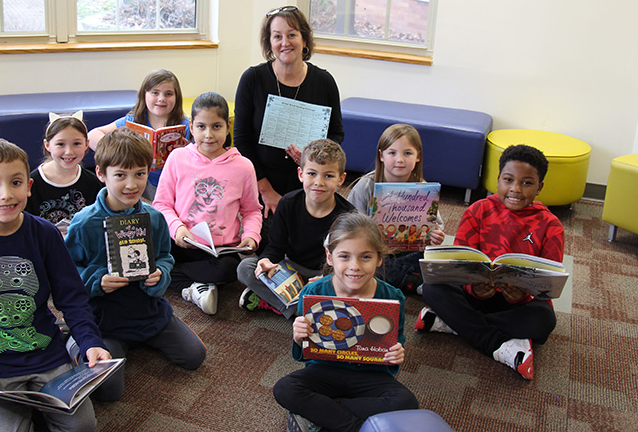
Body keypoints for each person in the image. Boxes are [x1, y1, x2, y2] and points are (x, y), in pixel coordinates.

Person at [0, 139, 110, 432]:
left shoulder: (46, 235)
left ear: (29, 186)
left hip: (46, 354)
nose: (6, 194)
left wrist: (90, 341)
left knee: (83, 427)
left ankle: (70, 345)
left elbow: (72, 298)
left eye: (15, 182)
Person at [64, 127, 206, 401]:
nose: (131, 185)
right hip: (105, 321)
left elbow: (166, 257)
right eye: (120, 175)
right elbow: (67, 276)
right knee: (107, 393)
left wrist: (160, 274)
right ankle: (74, 341)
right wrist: (96, 280)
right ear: (101, 174)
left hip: (148, 313)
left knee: (194, 356)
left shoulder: (153, 218)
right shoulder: (84, 223)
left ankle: (139, 340)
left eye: (140, 174)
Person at [416, 144, 565, 380]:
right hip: (473, 296)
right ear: (497, 180)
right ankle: (496, 344)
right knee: (433, 287)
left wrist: (522, 296)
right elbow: (459, 262)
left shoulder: (551, 225)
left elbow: (547, 283)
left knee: (543, 321)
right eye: (508, 179)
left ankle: (452, 323)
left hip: (517, 304)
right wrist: (472, 287)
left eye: (527, 183)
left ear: (540, 188)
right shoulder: (478, 210)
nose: (515, 189)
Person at [273, 213, 418, 432]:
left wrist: (396, 353)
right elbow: (305, 353)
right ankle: (355, 427)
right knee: (285, 389)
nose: (355, 266)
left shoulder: (392, 296)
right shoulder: (313, 292)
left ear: (379, 259)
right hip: (324, 371)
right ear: (330, 257)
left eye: (365, 257)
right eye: (344, 256)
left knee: (406, 402)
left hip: (369, 375)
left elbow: (395, 343)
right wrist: (298, 336)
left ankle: (321, 415)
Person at [154, 92, 263, 315]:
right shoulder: (177, 158)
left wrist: (251, 235)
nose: (208, 135)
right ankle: (193, 287)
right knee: (149, 254)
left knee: (230, 271)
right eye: (201, 126)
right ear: (191, 127)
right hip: (181, 242)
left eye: (216, 126)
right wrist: (177, 228)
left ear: (228, 127)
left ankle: (179, 280)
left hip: (219, 251)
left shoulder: (243, 167)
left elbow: (252, 210)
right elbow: (162, 204)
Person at [234, 6, 344, 222]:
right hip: (262, 183)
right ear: (269, 43)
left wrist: (312, 155)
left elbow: (337, 135)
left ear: (304, 39)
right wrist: (266, 192)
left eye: (292, 34)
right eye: (277, 36)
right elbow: (241, 140)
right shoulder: (252, 79)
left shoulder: (325, 82)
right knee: (265, 245)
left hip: (311, 182)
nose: (285, 42)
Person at [237, 139, 354, 318]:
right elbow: (276, 247)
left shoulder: (348, 215)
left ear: (341, 179)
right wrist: (266, 260)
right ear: (301, 174)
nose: (319, 182)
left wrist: (328, 277)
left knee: (355, 281)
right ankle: (299, 310)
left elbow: (347, 260)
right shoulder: (288, 203)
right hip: (290, 269)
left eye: (328, 176)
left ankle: (281, 302)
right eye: (312, 173)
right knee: (246, 267)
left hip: (325, 275)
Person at [346, 124, 445, 291]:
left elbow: (437, 226)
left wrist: (436, 236)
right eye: (392, 153)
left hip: (411, 253)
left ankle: (404, 281)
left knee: (441, 264)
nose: (400, 160)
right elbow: (348, 225)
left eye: (407, 153)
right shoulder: (366, 185)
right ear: (382, 155)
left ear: (418, 156)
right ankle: (410, 282)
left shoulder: (423, 189)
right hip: (376, 254)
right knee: (365, 266)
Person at [88, 69, 190, 201]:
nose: (161, 99)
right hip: (139, 183)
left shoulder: (186, 125)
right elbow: (92, 135)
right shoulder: (132, 121)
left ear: (177, 97)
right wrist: (119, 151)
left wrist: (188, 151)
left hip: (175, 185)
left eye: (168, 94)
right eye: (155, 93)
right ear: (144, 95)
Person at [25, 111, 102, 230]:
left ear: (87, 144)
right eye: (60, 144)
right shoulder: (32, 183)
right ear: (47, 145)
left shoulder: (94, 184)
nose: (69, 152)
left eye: (76, 143)